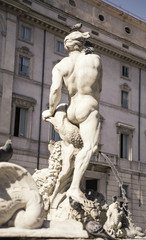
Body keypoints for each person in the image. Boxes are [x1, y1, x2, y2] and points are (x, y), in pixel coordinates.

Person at [42, 27, 102, 203]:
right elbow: (99, 88)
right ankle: (74, 188)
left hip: (71, 108)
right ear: (82, 44)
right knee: (90, 147)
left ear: (67, 46)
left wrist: (51, 111)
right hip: (88, 106)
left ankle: (62, 186)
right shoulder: (95, 60)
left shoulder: (60, 65)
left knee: (72, 148)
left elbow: (55, 90)